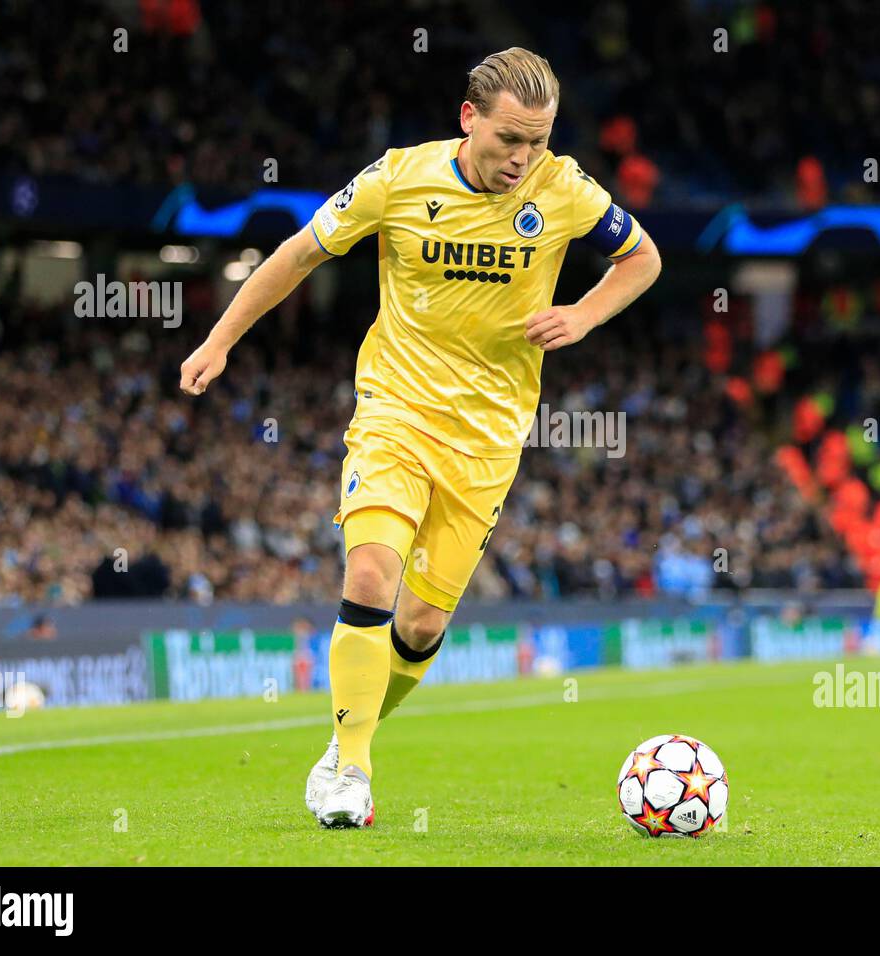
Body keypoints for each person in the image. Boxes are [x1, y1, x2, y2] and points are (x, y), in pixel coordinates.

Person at [179, 47, 662, 828]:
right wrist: (220, 339)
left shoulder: (564, 190)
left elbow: (643, 257)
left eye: (538, 141)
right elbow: (301, 251)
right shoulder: (399, 179)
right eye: (510, 138)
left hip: (489, 439)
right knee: (370, 575)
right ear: (468, 117)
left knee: (423, 624)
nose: (523, 158)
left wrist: (584, 313)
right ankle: (354, 774)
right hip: (395, 414)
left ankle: (346, 744)